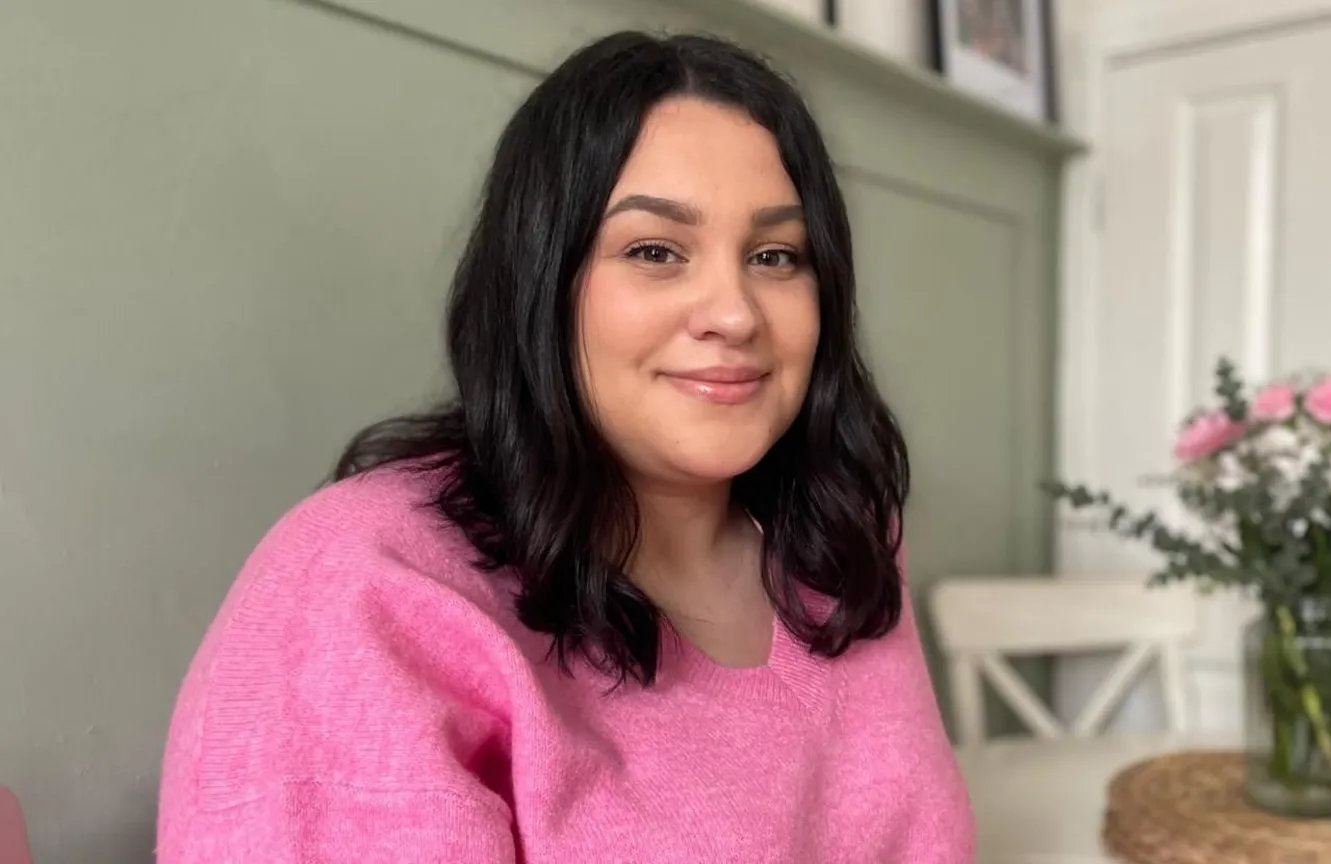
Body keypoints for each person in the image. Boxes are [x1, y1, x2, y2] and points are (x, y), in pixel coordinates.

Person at [156, 30, 975, 863]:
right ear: (542, 283)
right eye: (655, 251)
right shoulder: (364, 588)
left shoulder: (846, 544)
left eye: (775, 255)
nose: (734, 313)